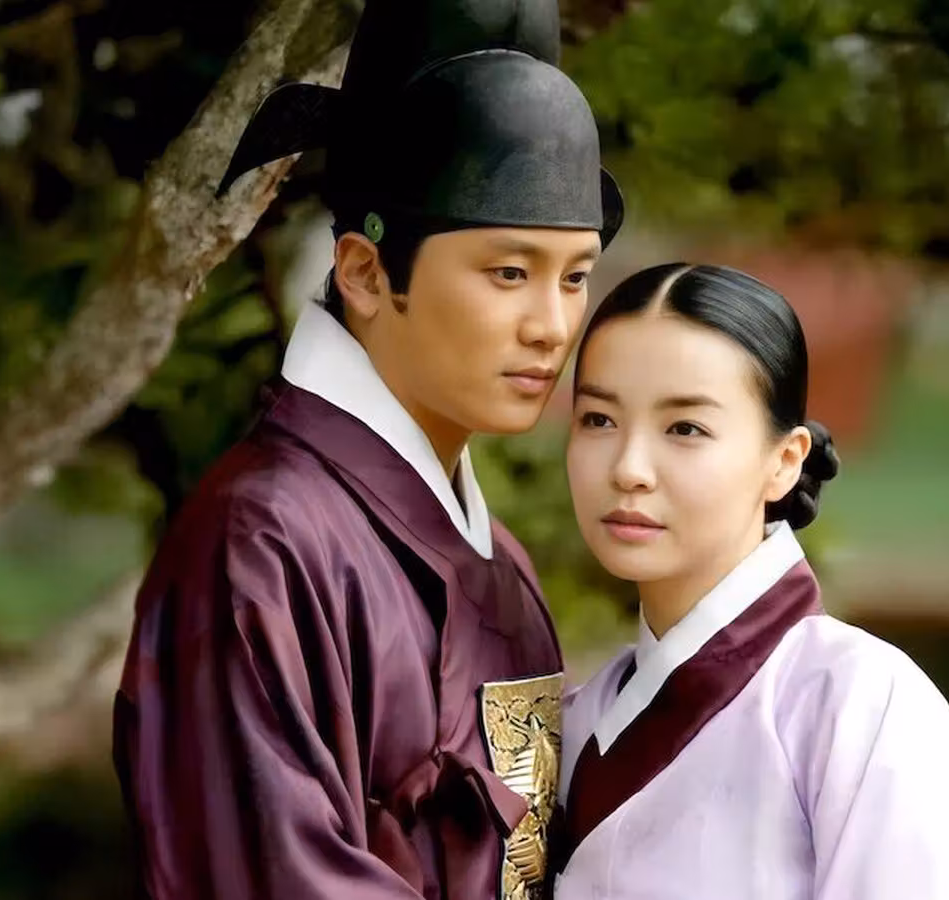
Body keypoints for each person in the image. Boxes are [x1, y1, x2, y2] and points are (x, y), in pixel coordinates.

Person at [112, 1, 625, 898]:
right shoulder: (261, 544)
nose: (552, 326)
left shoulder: (500, 561)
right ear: (365, 271)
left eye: (574, 276)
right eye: (509, 272)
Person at [551, 263, 949, 899]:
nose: (629, 468)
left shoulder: (856, 704)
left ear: (784, 461)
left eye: (685, 428)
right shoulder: (580, 716)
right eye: (599, 420)